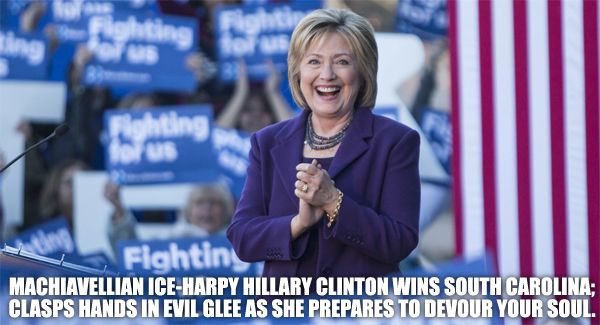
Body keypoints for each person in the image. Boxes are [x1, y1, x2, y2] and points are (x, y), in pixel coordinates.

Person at [227, 8, 421, 279]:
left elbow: (400, 241)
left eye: (342, 62)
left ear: (363, 71)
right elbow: (243, 238)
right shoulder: (267, 142)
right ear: (298, 72)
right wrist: (297, 224)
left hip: (362, 314)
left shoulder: (396, 141)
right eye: (314, 62)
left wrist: (333, 201)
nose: (326, 75)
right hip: (287, 315)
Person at [105, 182, 234, 253]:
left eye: (214, 203)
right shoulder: (169, 239)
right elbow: (130, 254)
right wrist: (118, 208)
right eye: (200, 202)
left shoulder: (239, 245)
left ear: (226, 211)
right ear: (188, 211)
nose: (207, 208)